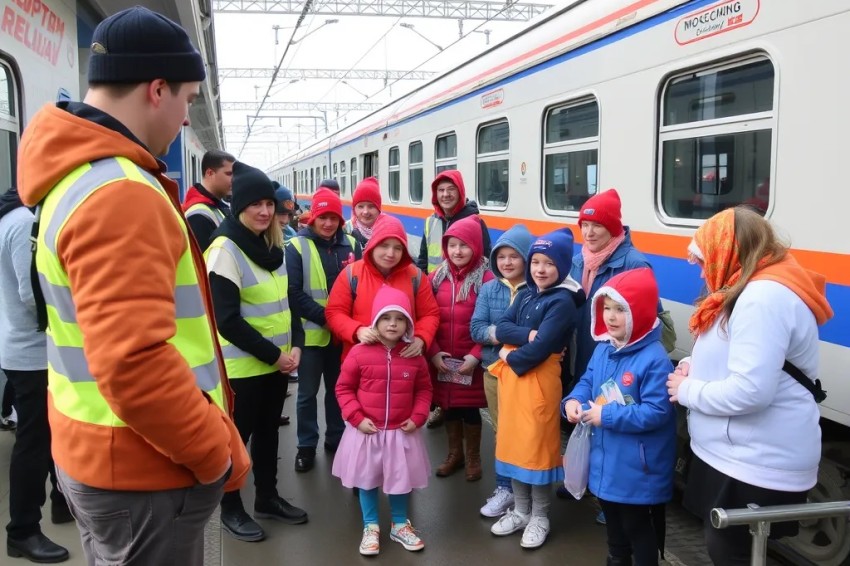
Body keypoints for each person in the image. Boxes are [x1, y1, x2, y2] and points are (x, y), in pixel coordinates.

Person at [17, 7, 250, 564]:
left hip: (100, 446)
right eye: (188, 100)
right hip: (147, 467)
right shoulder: (122, 193)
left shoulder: (72, 177)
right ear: (157, 89)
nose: (185, 120)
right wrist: (215, 454)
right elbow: (133, 364)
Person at [667, 207, 833, 566]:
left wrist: (687, 390)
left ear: (729, 251)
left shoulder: (762, 299)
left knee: (731, 551)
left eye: (703, 257)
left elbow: (751, 391)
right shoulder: (753, 289)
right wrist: (695, 366)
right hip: (738, 454)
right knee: (727, 546)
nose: (699, 268)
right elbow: (740, 358)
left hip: (753, 459)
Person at [206, 162, 309, 541]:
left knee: (268, 435)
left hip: (276, 365)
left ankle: (267, 497)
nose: (265, 211)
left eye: (269, 204)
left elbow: (287, 302)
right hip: (242, 371)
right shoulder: (224, 250)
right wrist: (274, 355)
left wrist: (296, 343)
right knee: (236, 440)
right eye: (256, 205)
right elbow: (226, 320)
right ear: (240, 207)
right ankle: (230, 508)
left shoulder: (273, 245)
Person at [563, 268, 676, 566]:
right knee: (614, 527)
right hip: (608, 462)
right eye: (607, 309)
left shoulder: (654, 359)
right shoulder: (604, 348)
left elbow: (658, 412)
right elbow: (587, 381)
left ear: (638, 312)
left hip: (638, 469)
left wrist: (607, 415)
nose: (610, 317)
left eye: (620, 310)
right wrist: (573, 400)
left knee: (637, 527)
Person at [487, 228, 581, 549]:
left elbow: (540, 350)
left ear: (563, 267)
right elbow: (501, 327)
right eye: (536, 262)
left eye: (549, 264)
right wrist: (526, 335)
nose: (540, 269)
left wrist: (508, 352)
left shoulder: (563, 302)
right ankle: (522, 511)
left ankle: (540, 516)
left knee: (537, 453)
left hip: (539, 387)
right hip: (515, 389)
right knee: (514, 447)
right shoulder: (527, 292)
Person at [332, 286, 432, 555]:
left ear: (408, 324)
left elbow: (424, 390)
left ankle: (400, 524)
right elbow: (343, 388)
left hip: (401, 430)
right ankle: (371, 526)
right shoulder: (359, 352)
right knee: (367, 479)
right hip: (367, 430)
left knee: (400, 479)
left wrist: (419, 416)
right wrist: (356, 417)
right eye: (386, 318)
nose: (392, 324)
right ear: (376, 321)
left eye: (400, 319)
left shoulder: (413, 355)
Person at [0, 187, 71, 563]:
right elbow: (33, 296)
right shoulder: (25, 222)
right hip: (33, 352)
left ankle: (62, 501)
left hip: (20, 347)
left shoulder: (8, 217)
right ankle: (23, 530)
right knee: (35, 439)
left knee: (50, 430)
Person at [286, 188, 361, 472]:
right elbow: (293, 292)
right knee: (306, 394)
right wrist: (327, 318)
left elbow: (362, 285)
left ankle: (336, 437)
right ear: (313, 217)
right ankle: (306, 445)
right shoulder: (296, 248)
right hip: (310, 336)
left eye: (333, 217)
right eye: (322, 217)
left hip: (343, 337)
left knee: (338, 389)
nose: (328, 223)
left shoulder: (352, 245)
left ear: (340, 220)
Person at [470, 224, 533, 517]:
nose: (506, 262)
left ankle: (528, 491)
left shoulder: (538, 291)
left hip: (529, 375)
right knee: (503, 433)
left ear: (526, 258)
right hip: (494, 373)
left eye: (514, 256)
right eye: (501, 256)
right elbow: (477, 329)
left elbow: (546, 333)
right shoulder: (488, 289)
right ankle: (505, 488)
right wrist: (515, 335)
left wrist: (503, 335)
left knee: (528, 433)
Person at [427, 216, 493, 481]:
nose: (457, 251)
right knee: (449, 406)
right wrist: (432, 351)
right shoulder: (435, 278)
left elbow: (493, 322)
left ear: (476, 247)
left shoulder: (487, 280)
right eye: (452, 245)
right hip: (443, 358)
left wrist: (476, 356)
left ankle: (474, 457)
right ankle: (456, 454)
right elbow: (424, 318)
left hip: (470, 360)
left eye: (464, 245)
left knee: (470, 409)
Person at [326, 215, 440, 361]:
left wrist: (421, 338)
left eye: (397, 248)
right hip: (360, 363)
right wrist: (357, 331)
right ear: (373, 244)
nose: (390, 253)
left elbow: (430, 314)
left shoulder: (416, 277)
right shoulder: (351, 274)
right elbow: (334, 312)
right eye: (384, 245)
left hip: (404, 363)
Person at [416, 170, 491, 274]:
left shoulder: (475, 223)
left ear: (460, 192)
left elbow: (486, 261)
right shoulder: (431, 222)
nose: (446, 194)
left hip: (465, 287)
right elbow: (423, 259)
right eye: (441, 190)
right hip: (434, 285)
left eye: (451, 189)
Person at [182, 149, 235, 251]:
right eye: (229, 174)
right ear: (210, 173)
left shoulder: (214, 207)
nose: (234, 179)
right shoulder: (198, 216)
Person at [344, 177, 382, 247]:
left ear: (378, 209)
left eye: (371, 206)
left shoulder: (387, 229)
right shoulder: (345, 229)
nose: (365, 212)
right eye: (360, 206)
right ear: (354, 209)